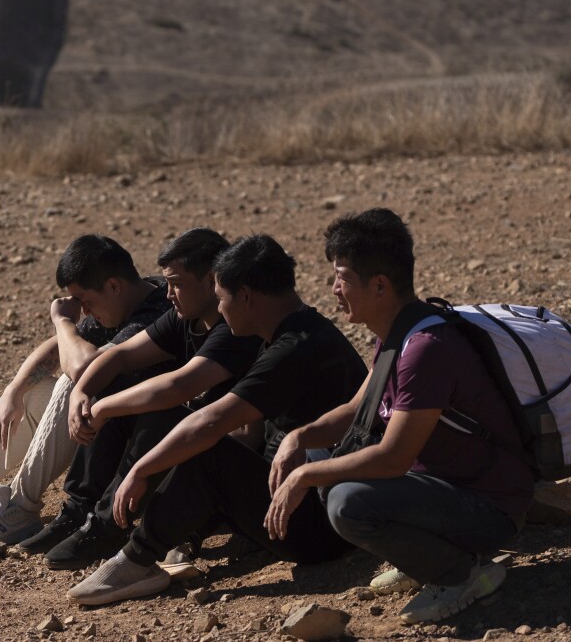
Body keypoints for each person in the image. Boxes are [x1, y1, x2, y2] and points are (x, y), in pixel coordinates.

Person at [264, 208, 534, 624]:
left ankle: (460, 574)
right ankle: (426, 559)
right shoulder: (397, 332)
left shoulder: (425, 348)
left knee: (346, 502)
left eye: (342, 278)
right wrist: (298, 439)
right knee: (316, 459)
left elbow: (393, 459)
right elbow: (356, 410)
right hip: (441, 488)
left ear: (379, 286)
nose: (333, 288)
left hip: (489, 507)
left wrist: (305, 477)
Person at [67, 234, 365, 606]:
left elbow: (212, 422)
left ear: (245, 296)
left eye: (222, 299)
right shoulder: (291, 331)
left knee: (206, 449)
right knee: (203, 445)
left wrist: (141, 471)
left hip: (317, 524)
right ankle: (138, 531)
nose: (220, 312)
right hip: (292, 496)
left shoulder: (296, 347)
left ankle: (137, 561)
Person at [0, 234, 171, 547]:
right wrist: (14, 391)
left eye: (86, 302)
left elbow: (87, 370)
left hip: (140, 441)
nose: (85, 313)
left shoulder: (157, 310)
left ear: (114, 286)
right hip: (100, 431)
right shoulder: (120, 302)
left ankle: (20, 507)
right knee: (32, 391)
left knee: (70, 382)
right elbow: (54, 350)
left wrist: (63, 322)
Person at [15, 227, 263, 571]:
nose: (169, 294)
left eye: (177, 284)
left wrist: (102, 406)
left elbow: (179, 387)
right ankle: (79, 511)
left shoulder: (233, 329)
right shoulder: (184, 318)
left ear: (210, 281)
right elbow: (118, 357)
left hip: (235, 459)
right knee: (116, 387)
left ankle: (108, 526)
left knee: (158, 413)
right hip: (201, 446)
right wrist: (84, 392)